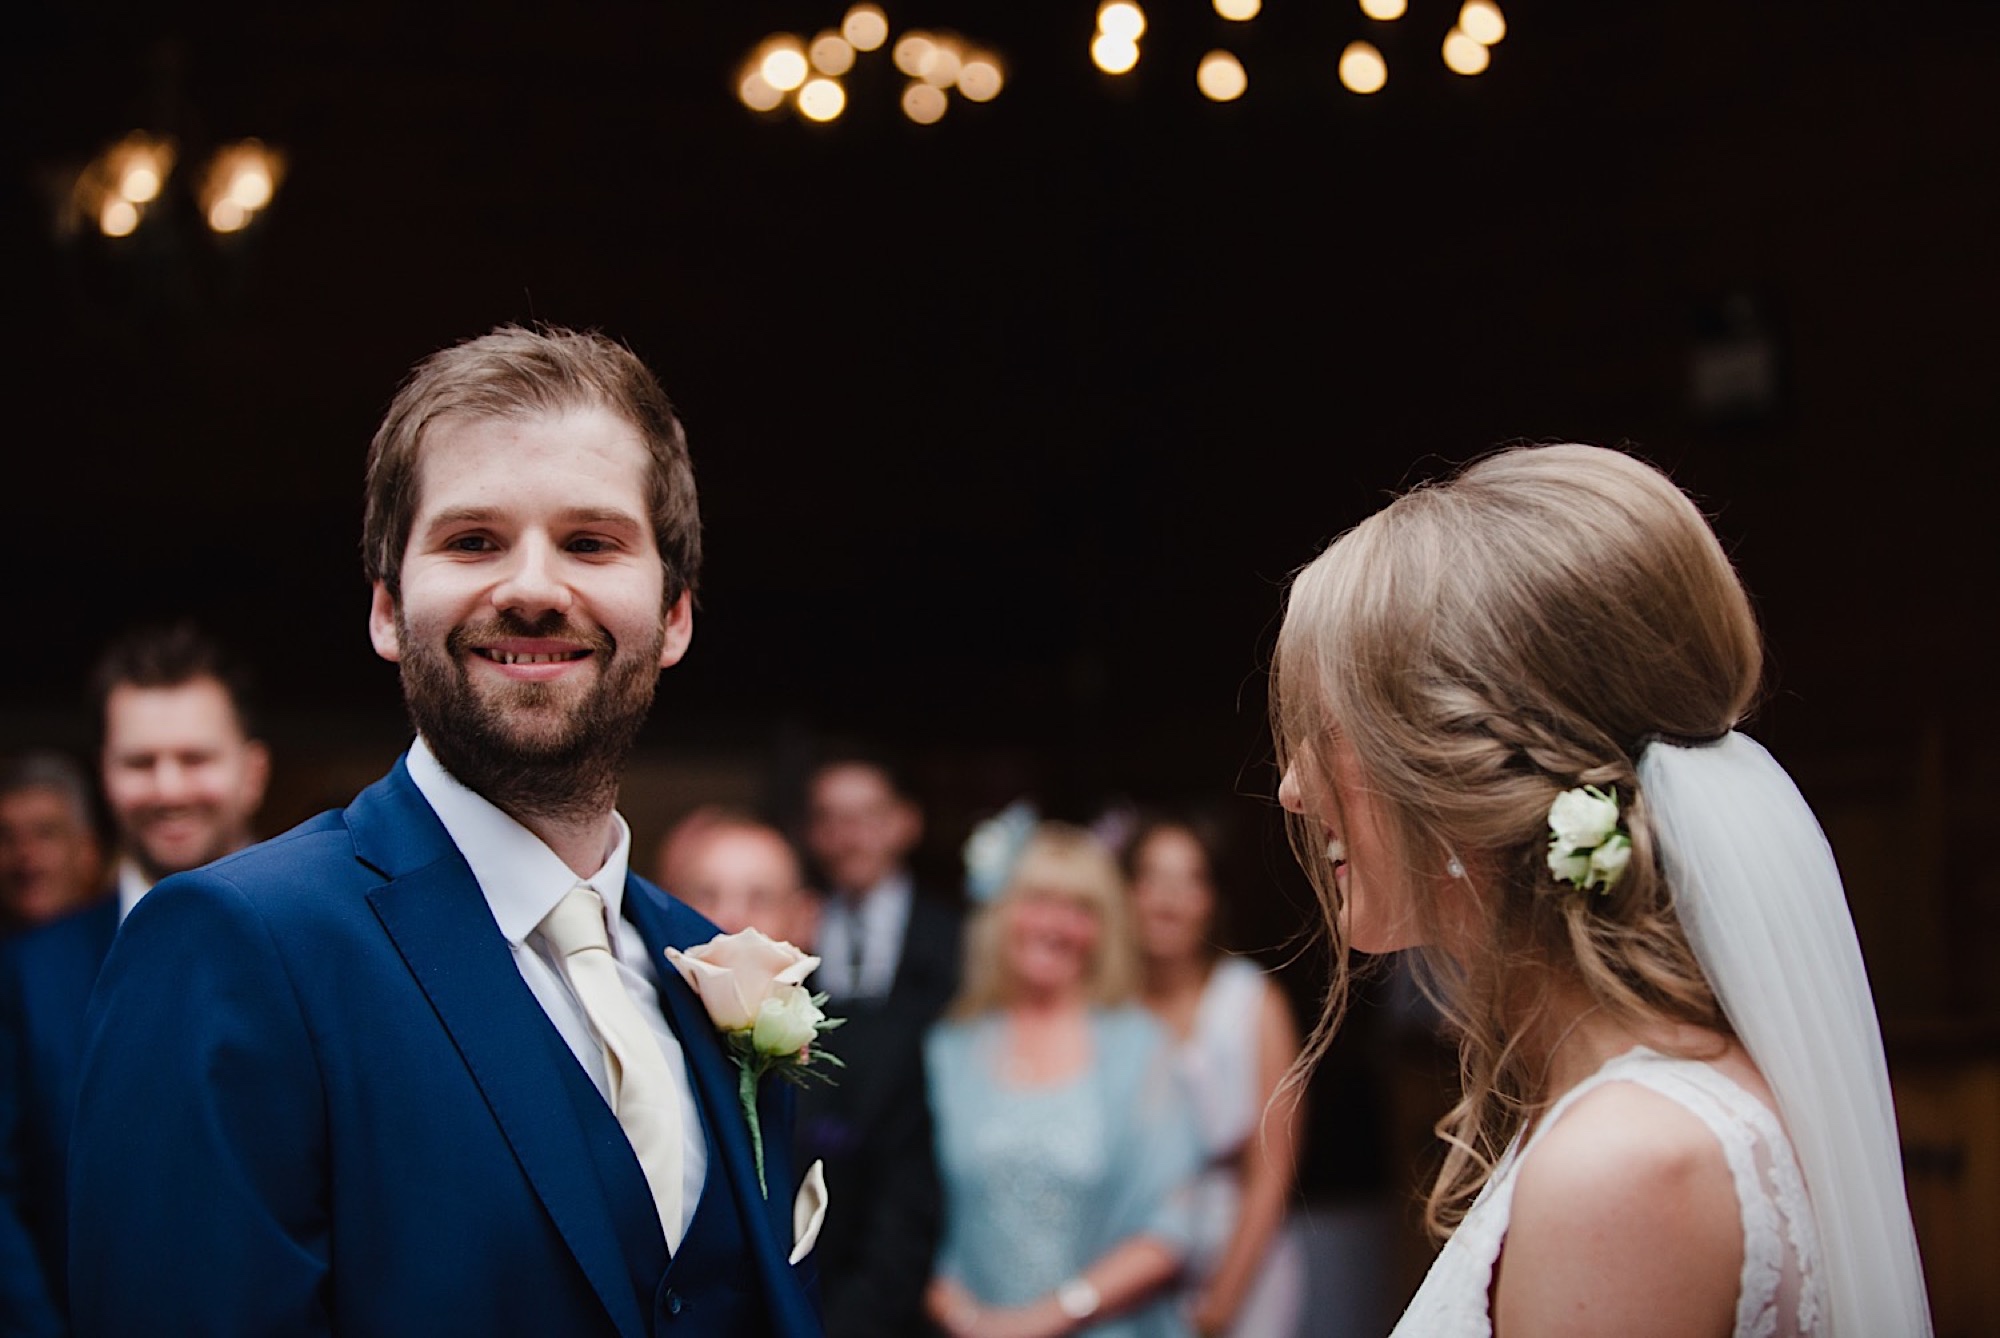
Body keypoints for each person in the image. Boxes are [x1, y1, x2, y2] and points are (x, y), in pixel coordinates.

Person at [68, 325, 822, 1336]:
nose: (532, 588)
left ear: (675, 614)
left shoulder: (710, 966)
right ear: (386, 609)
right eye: (472, 541)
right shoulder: (233, 948)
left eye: (591, 542)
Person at [1270, 443, 1931, 1336]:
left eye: (1328, 730)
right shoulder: (1625, 1116)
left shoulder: (1624, 1169)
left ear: (1464, 765)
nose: (1294, 790)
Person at [0, 625, 269, 1335]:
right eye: (141, 762)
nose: (169, 788)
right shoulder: (30, 974)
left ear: (253, 771)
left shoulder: (347, 949)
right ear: (105, 774)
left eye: (195, 759)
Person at [926, 821, 1203, 1338]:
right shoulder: (950, 1050)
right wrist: (963, 1316)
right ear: (1003, 914)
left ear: (1104, 929)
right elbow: (915, 1211)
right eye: (1038, 900)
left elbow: (1170, 1229)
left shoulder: (1142, 1047)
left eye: (1080, 909)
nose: (1055, 924)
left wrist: (1047, 1318)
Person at [676, 814, 942, 1338]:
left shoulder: (880, 1055)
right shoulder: (640, 1050)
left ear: (804, 917)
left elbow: (898, 1239)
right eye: (704, 894)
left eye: (759, 898)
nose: (731, 918)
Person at [1125, 819, 1306, 1338]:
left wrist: (1221, 1305)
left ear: (1212, 898)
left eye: (1190, 881)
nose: (1169, 900)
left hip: (1241, 1259)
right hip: (1132, 1269)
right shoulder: (1108, 1011)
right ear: (1127, 893)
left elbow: (1271, 1171)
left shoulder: (1251, 1002)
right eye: (1152, 879)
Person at [805, 755, 961, 1020]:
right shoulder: (796, 927)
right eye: (830, 818)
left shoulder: (953, 933)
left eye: (868, 817)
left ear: (907, 822)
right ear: (810, 831)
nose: (850, 838)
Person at [0, 755, 105, 934]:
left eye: (45, 833)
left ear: (88, 850)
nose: (24, 851)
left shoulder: (125, 948)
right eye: (6, 837)